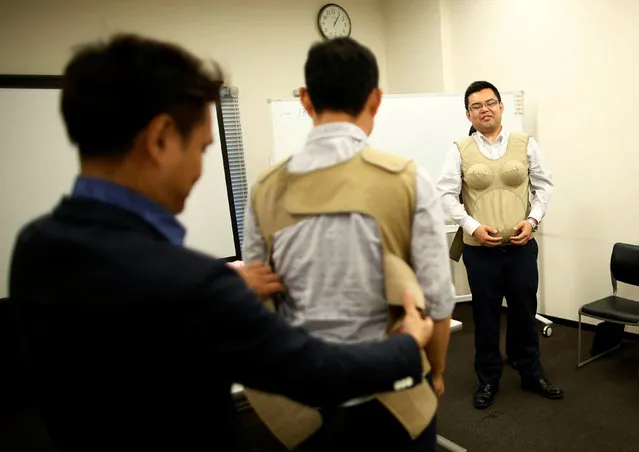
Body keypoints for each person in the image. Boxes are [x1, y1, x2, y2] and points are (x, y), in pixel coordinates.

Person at [7, 34, 437, 452]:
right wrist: (408, 344)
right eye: (202, 148)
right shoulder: (191, 283)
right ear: (159, 140)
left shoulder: (34, 245)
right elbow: (314, 372)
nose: (199, 171)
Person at [242, 37, 456, 452]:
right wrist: (438, 371)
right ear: (375, 100)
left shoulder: (264, 191)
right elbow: (438, 301)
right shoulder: (409, 181)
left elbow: (257, 300)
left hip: (302, 405)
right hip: (395, 399)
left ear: (305, 99)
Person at [436, 80, 563, 409]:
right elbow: (446, 195)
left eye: (490, 102)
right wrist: (472, 227)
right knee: (487, 316)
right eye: (476, 106)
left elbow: (544, 186)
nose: (485, 109)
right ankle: (488, 379)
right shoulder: (459, 149)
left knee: (524, 312)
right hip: (481, 252)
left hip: (521, 247)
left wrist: (532, 220)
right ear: (469, 113)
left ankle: (531, 371)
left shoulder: (525, 144)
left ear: (501, 107)